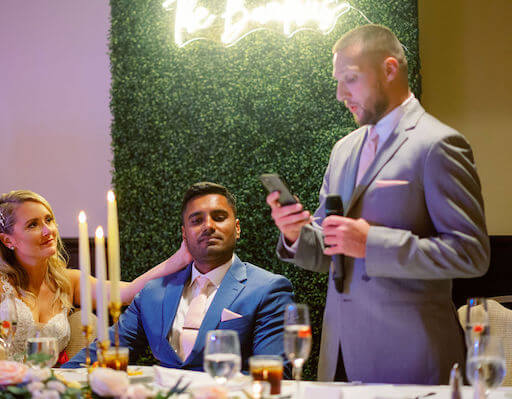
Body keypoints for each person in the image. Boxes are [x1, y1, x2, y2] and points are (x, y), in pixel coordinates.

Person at [266, 24, 489, 384]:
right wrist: (296, 235)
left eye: (350, 79)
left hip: (413, 359)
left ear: (389, 70)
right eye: (337, 81)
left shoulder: (440, 144)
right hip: (338, 356)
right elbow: (329, 250)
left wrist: (371, 243)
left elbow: (472, 253)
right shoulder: (343, 150)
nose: (340, 94)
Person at [64, 182, 294, 372]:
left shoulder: (268, 289)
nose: (209, 226)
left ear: (237, 228)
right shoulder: (154, 292)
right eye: (196, 220)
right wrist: (52, 379)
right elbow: (107, 351)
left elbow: (273, 374)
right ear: (184, 233)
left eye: (219, 216)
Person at [0, 190, 192, 362]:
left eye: (49, 220)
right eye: (33, 225)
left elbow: (126, 293)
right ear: (7, 240)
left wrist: (182, 257)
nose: (47, 231)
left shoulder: (68, 281)